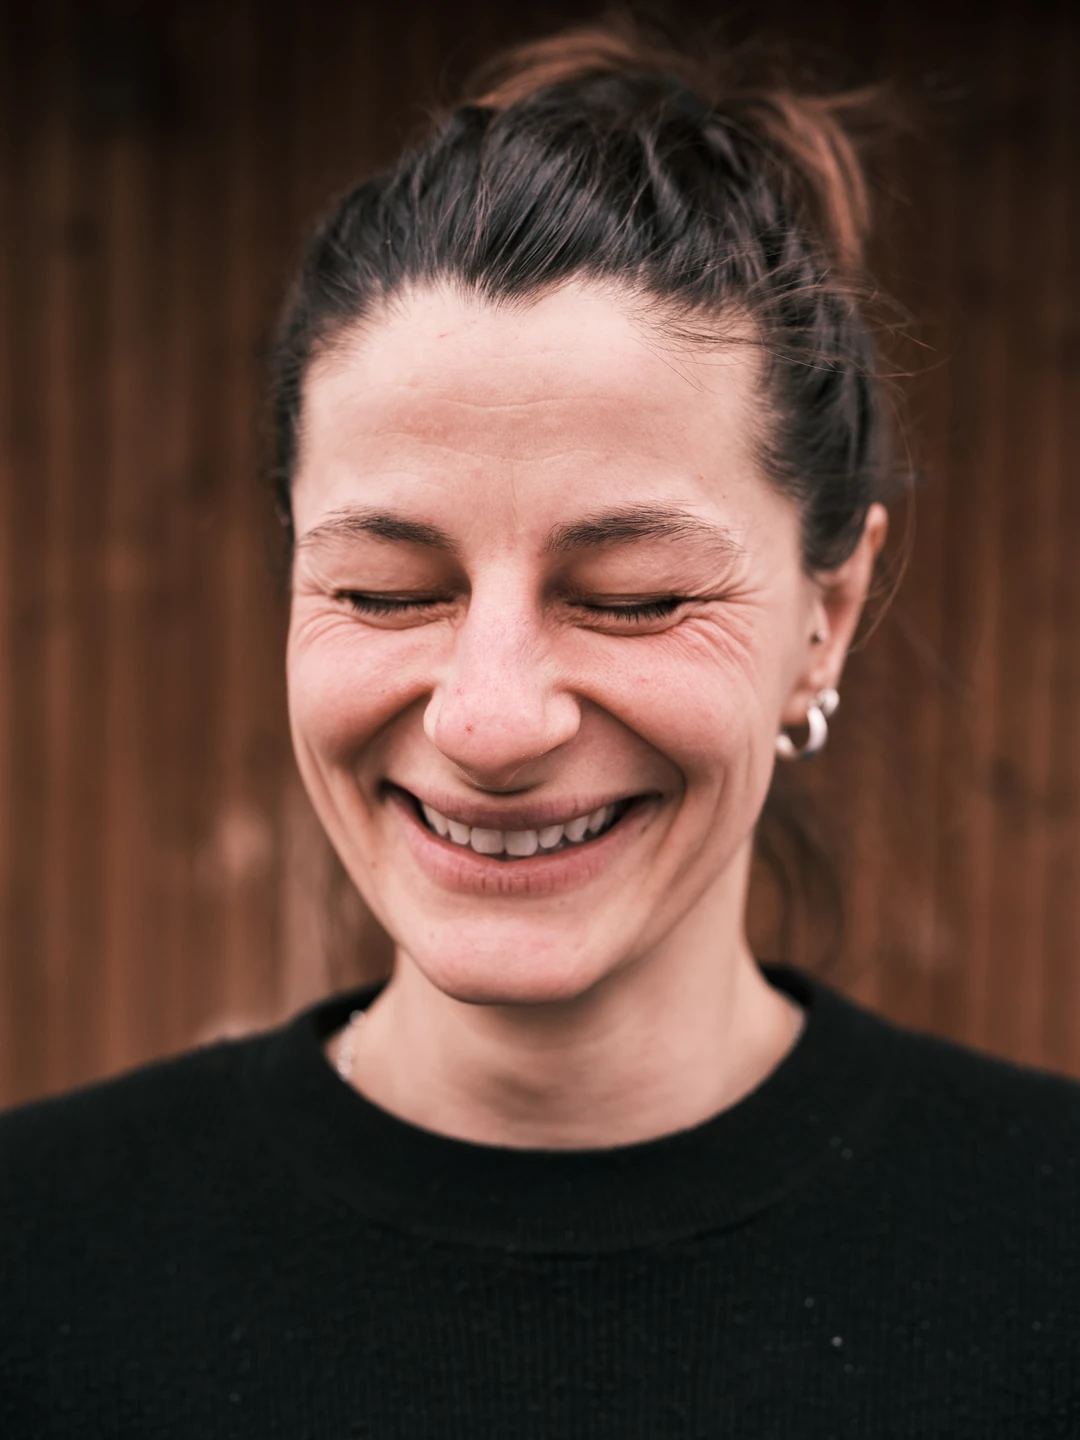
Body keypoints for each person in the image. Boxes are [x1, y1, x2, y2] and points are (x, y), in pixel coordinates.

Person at [2, 20, 1078, 1438]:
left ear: (825, 616)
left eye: (633, 598)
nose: (491, 719)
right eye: (385, 592)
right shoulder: (36, 1261)